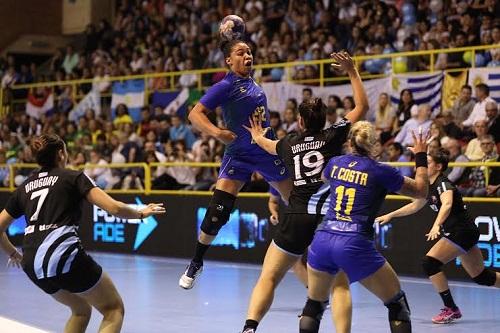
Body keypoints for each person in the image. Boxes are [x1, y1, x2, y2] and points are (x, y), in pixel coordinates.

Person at [242, 51, 368, 333]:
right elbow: (361, 106)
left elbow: (266, 145)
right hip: (328, 221)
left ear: (300, 122)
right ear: (325, 119)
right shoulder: (333, 135)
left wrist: (256, 134)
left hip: (296, 215)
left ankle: (250, 328)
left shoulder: (288, 143)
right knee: (338, 285)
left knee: (269, 277)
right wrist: (352, 71)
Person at [0, 134, 165, 333]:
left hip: (32, 263)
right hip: (61, 255)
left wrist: (12, 253)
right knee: (113, 308)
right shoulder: (73, 177)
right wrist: (140, 213)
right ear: (61, 154)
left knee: (80, 310)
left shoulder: (24, 187)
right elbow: (114, 208)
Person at [179, 39, 293, 289]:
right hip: (238, 154)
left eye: (250, 52)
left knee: (298, 205)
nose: (247, 55)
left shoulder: (253, 83)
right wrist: (217, 133)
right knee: (217, 210)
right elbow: (194, 114)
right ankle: (196, 261)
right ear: (229, 61)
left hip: (266, 150)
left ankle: (315, 265)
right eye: (241, 53)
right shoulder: (225, 85)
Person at [299, 121, 430, 333]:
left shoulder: (334, 163)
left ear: (349, 142)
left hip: (322, 239)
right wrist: (421, 156)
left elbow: (324, 177)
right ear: (374, 145)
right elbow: (421, 191)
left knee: (314, 304)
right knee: (397, 304)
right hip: (354, 242)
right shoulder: (381, 171)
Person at [376, 148, 500, 325]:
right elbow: (415, 206)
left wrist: (436, 225)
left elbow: (447, 203)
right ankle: (452, 308)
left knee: (430, 263)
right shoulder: (428, 187)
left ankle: (451, 309)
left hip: (461, 232)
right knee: (482, 277)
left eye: (427, 161)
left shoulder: (443, 183)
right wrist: (391, 215)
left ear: (438, 166)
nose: (422, 164)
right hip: (464, 233)